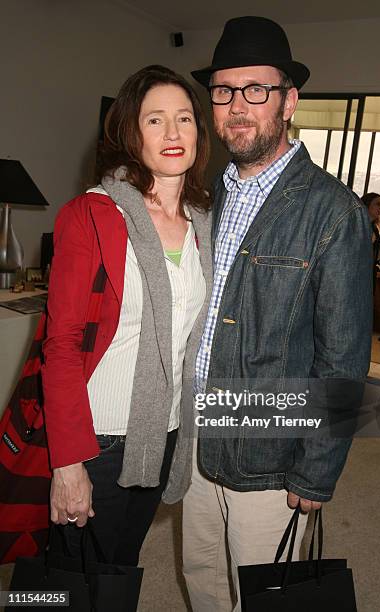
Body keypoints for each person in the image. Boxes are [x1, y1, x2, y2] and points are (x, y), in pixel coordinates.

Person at [183, 16, 373, 611]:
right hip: (196, 438)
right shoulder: (206, 196)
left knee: (264, 596)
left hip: (271, 453)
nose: (238, 106)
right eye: (224, 90)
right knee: (203, 577)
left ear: (289, 101)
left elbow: (342, 356)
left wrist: (317, 471)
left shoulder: (333, 211)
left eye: (256, 90)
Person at [41, 64, 212, 567]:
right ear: (129, 132)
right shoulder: (91, 215)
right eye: (155, 120)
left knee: (120, 570)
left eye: (184, 118)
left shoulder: (204, 221)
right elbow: (62, 343)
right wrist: (68, 462)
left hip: (166, 432)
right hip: (99, 439)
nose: (174, 132)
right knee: (69, 580)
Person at [361, 192, 380, 291]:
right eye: (378, 204)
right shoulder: (358, 227)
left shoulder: (375, 229)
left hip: (368, 275)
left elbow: (377, 258)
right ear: (367, 205)